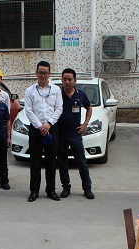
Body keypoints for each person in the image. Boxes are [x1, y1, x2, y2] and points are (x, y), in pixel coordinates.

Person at [24, 60, 63, 202]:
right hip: (36, 129)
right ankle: (34, 191)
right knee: (35, 161)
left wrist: (49, 124)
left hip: (52, 128)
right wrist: (40, 125)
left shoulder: (56, 90)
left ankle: (51, 190)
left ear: (49, 74)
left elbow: (59, 109)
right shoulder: (30, 91)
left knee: (51, 161)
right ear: (36, 73)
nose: (43, 75)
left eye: (46, 73)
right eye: (40, 72)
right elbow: (28, 110)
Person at [57, 68, 94, 200]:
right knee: (62, 163)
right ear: (62, 80)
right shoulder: (57, 94)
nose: (67, 82)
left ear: (75, 80)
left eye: (70, 79)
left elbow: (89, 108)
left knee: (81, 162)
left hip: (75, 134)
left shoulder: (81, 95)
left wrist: (85, 124)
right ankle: (66, 187)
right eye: (65, 79)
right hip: (61, 135)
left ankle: (87, 188)